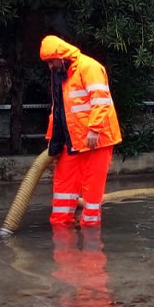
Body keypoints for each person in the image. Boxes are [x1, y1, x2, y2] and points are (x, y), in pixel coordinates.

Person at [40, 35, 122, 227]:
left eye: (51, 61)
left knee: (92, 188)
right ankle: (61, 225)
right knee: (63, 186)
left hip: (97, 140)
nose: (50, 66)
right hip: (73, 140)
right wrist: (53, 139)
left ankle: (90, 231)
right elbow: (59, 109)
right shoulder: (61, 74)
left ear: (60, 56)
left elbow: (101, 101)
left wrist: (94, 129)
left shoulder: (89, 67)